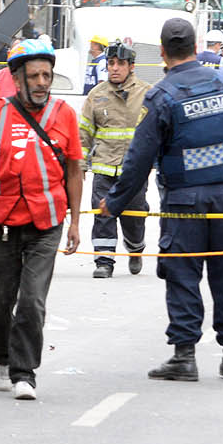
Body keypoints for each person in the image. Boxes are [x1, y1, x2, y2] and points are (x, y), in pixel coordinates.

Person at [100, 17, 223, 383]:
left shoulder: (162, 96)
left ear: (164, 52)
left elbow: (139, 158)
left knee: (183, 274)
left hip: (184, 203)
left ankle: (184, 356)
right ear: (197, 44)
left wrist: (115, 202)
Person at [0, 40, 82, 400]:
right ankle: (1, 356)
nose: (42, 82)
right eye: (34, 76)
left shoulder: (65, 114)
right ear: (17, 79)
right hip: (1, 221)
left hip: (47, 219)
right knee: (0, 302)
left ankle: (25, 373)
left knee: (32, 301)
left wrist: (74, 222)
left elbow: (74, 168)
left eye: (47, 75)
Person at [82, 42, 149, 277]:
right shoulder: (96, 95)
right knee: (102, 214)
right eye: (111, 63)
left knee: (134, 217)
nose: (114, 68)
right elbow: (84, 133)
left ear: (131, 66)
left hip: (134, 172)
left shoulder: (146, 93)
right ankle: (104, 261)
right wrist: (80, 165)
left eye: (120, 64)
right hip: (104, 168)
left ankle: (135, 248)